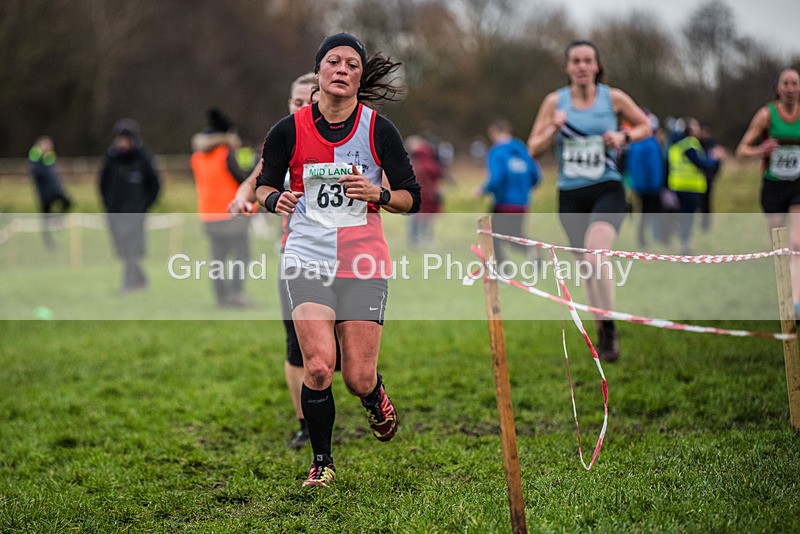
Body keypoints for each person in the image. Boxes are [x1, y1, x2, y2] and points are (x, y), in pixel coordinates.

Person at [254, 33, 422, 488]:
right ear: (320, 71)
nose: (343, 69)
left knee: (358, 376)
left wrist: (380, 194)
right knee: (319, 366)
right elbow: (263, 186)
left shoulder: (378, 130)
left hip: (363, 261)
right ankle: (322, 461)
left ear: (360, 75)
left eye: (352, 63)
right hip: (306, 257)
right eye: (334, 61)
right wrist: (277, 201)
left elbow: (414, 198)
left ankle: (374, 397)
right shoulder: (287, 130)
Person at [526, 39, 651, 362]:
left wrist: (623, 136)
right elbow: (533, 149)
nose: (582, 66)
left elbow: (646, 126)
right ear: (568, 67)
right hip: (571, 196)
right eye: (576, 61)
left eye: (587, 61)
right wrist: (553, 129)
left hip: (608, 189)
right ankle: (602, 325)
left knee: (597, 256)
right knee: (587, 268)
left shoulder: (614, 98)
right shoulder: (555, 102)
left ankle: (609, 326)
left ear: (597, 66)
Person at [228, 71, 325, 450]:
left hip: (343, 258)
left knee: (339, 353)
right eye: (296, 102)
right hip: (294, 256)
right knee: (296, 345)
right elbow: (252, 182)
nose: (301, 108)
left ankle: (362, 389)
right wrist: (241, 198)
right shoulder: (283, 139)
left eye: (308, 101)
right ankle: (305, 422)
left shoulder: (340, 140)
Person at [736, 66, 800, 317]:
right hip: (773, 186)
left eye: (795, 83)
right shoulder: (766, 115)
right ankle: (781, 291)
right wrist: (761, 150)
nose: (790, 88)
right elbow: (742, 149)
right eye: (786, 83)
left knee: (796, 243)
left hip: (798, 185)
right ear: (778, 87)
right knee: (779, 244)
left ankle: (795, 301)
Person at [190, 108, 256, 308]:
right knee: (241, 256)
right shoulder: (227, 155)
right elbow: (244, 182)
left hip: (209, 215)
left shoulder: (198, 158)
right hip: (232, 213)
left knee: (218, 259)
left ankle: (221, 297)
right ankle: (235, 294)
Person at [99, 119, 160, 293]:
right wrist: (109, 205)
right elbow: (103, 185)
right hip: (115, 213)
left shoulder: (143, 159)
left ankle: (129, 284)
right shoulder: (111, 159)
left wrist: (143, 206)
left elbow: (154, 185)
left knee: (133, 249)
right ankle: (141, 280)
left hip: (135, 214)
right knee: (123, 250)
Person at [477, 118, 541, 264]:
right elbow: (536, 176)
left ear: (494, 133)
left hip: (503, 202)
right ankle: (531, 250)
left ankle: (502, 269)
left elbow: (497, 177)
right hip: (522, 203)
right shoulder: (522, 149)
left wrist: (484, 190)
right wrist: (524, 190)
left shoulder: (497, 151)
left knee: (492, 237)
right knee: (513, 235)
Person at [666, 117, 725, 255]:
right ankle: (685, 246)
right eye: (696, 126)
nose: (698, 129)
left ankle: (683, 242)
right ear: (690, 129)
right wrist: (715, 158)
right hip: (689, 187)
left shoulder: (678, 144)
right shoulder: (689, 144)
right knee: (687, 218)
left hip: (680, 186)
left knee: (684, 217)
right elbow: (702, 163)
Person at [28, 135, 72, 249]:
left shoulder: (49, 158)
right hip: (44, 194)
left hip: (55, 191)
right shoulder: (35, 159)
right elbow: (37, 173)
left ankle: (57, 221)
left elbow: (53, 175)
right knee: (45, 219)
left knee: (67, 203)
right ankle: (48, 243)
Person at [406, 135, 444, 248]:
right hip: (428, 194)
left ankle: (415, 240)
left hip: (415, 192)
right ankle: (426, 239)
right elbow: (438, 174)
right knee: (427, 218)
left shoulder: (412, 162)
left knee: (416, 216)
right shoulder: (429, 162)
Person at [698, 121, 726, 232]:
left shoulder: (713, 145)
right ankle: (701, 224)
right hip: (699, 178)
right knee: (700, 202)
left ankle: (706, 224)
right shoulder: (698, 144)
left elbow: (718, 162)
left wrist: (714, 175)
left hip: (709, 178)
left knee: (707, 202)